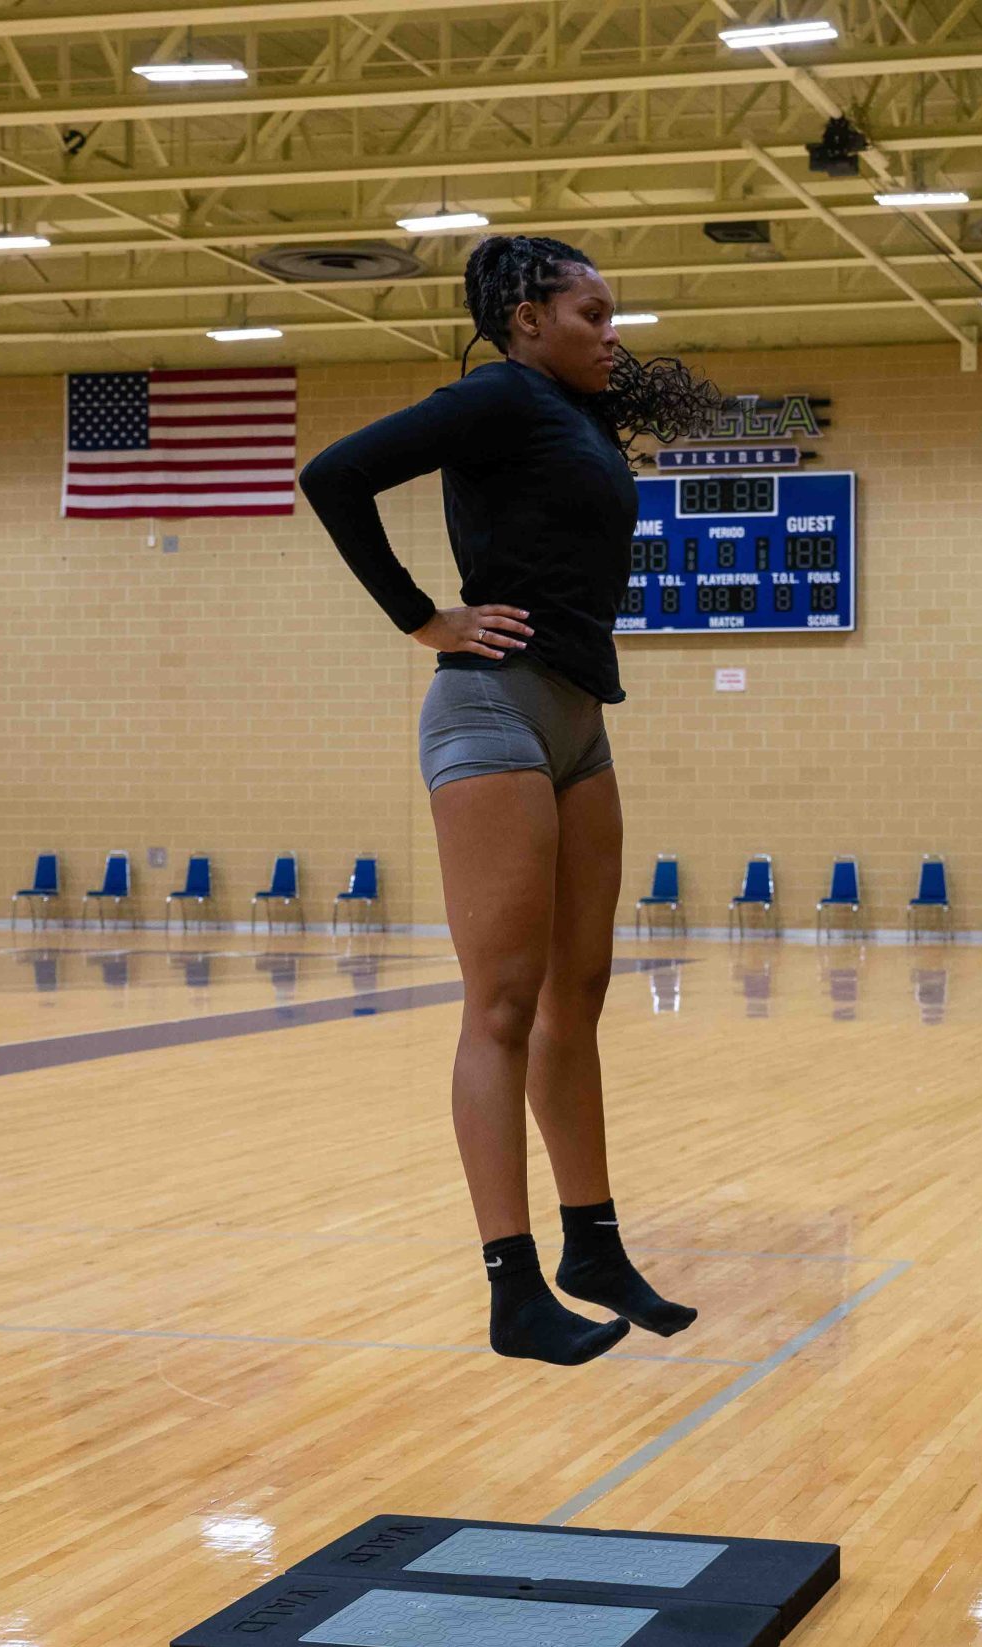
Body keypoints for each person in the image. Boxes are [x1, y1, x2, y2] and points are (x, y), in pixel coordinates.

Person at [299, 234, 721, 1366]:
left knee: (576, 993)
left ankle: (593, 1243)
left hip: (580, 716)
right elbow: (332, 474)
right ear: (527, 316)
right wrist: (421, 615)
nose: (612, 331)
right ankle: (513, 1283)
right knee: (502, 1002)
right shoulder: (493, 395)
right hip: (489, 710)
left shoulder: (579, 414)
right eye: (592, 312)